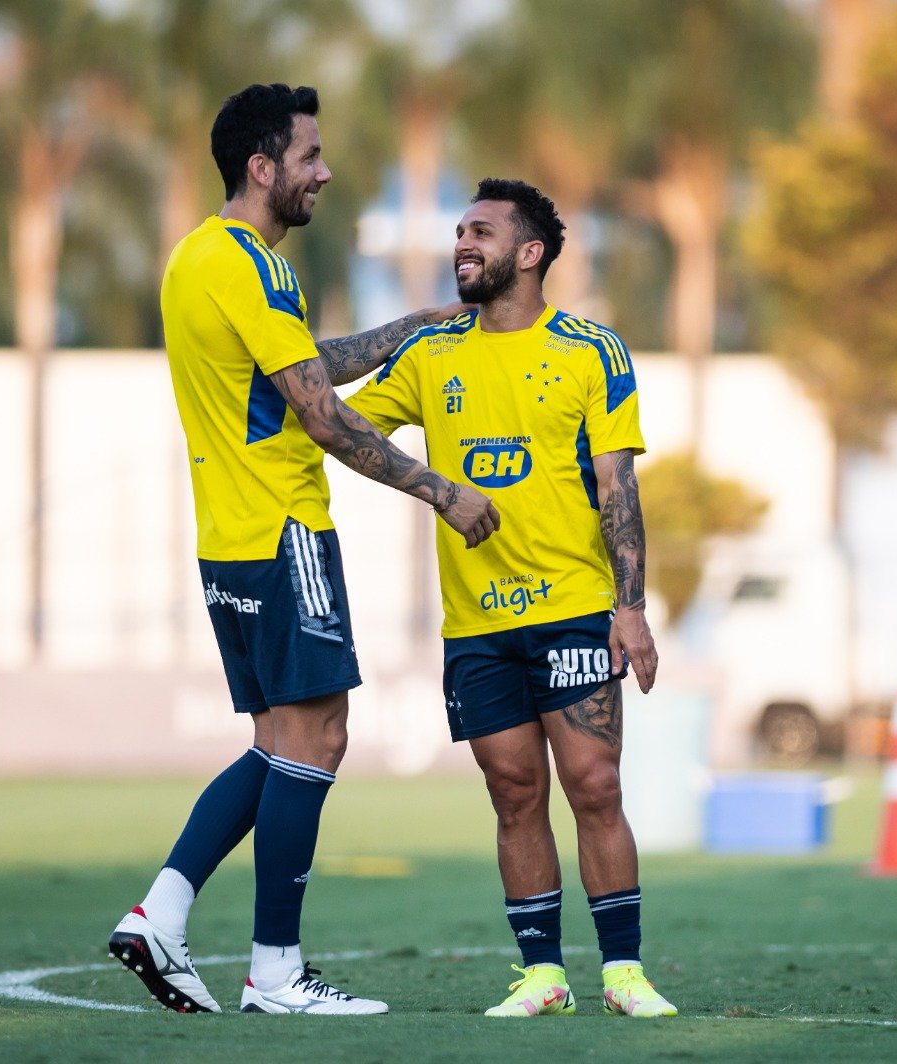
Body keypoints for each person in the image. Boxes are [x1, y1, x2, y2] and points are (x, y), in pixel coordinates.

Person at [107, 83, 498, 1017]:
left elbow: (295, 363)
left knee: (283, 742)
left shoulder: (198, 260)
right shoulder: (256, 266)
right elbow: (319, 414)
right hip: (286, 532)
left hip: (227, 542)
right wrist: (440, 489)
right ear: (262, 167)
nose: (324, 172)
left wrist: (410, 327)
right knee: (318, 737)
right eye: (311, 156)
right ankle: (275, 973)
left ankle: (160, 914)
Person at [345, 179, 677, 1018]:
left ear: (529, 254)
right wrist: (432, 489)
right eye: (460, 229)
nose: (464, 242)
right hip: (478, 622)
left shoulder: (591, 349)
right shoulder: (431, 354)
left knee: (594, 784)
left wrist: (630, 605)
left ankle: (624, 974)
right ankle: (542, 976)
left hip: (573, 603)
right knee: (513, 792)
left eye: (481, 231)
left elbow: (617, 485)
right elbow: (342, 428)